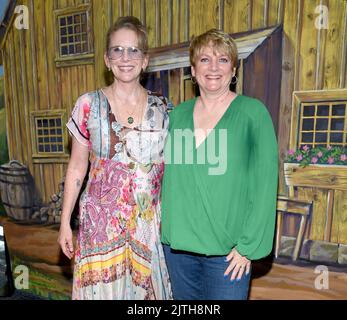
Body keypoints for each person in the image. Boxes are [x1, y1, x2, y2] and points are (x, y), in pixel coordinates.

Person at [58, 16, 172, 300]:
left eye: (134, 50)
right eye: (117, 50)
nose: (125, 57)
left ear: (145, 60)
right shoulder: (87, 105)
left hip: (148, 226)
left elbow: (172, 170)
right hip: (100, 226)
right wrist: (64, 223)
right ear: (107, 60)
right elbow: (76, 167)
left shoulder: (164, 109)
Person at [161, 29, 278, 300]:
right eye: (204, 60)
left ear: (234, 69)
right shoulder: (177, 116)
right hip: (178, 253)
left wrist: (248, 246)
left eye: (223, 60)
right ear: (193, 69)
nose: (213, 67)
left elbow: (265, 184)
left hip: (228, 254)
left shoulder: (253, 113)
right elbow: (168, 180)